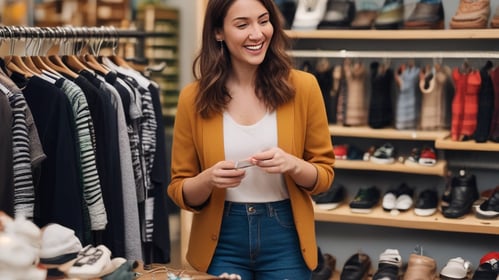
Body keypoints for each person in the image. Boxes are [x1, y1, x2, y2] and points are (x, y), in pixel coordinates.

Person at [167, 0, 335, 279]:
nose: (257, 33)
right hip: (219, 240)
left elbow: (325, 177)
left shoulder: (304, 87)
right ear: (218, 32)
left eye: (263, 20)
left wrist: (292, 164)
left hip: (285, 237)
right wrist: (208, 179)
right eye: (242, 24)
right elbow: (179, 190)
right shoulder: (193, 98)